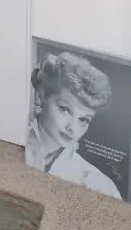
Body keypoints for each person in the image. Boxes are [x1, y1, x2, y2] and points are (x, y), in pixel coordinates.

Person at [26, 51, 122, 200]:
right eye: (65, 109)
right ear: (41, 96)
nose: (72, 128)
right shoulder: (15, 137)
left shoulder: (97, 184)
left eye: (83, 120)